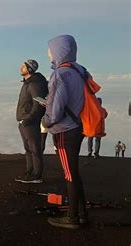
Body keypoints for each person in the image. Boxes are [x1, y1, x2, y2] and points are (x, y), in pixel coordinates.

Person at [41, 35, 87, 229]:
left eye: (50, 49)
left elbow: (56, 108)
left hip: (64, 130)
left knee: (69, 174)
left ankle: (73, 218)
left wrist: (45, 121)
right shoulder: (80, 71)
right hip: (78, 126)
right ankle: (82, 214)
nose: (48, 53)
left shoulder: (60, 74)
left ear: (58, 51)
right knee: (74, 173)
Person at [15, 59, 48, 184]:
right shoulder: (28, 83)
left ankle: (36, 175)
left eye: (23, 66)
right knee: (28, 148)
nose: (20, 68)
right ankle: (29, 172)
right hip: (24, 120)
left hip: (30, 122)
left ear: (30, 69)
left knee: (35, 148)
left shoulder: (35, 84)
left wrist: (28, 119)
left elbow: (39, 104)